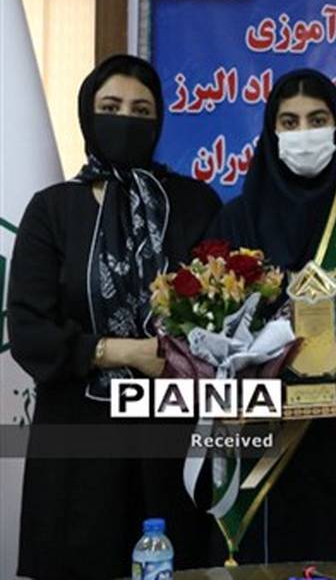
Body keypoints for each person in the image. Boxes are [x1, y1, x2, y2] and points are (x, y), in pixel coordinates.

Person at [8, 55, 221, 578]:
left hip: (172, 440)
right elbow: (29, 330)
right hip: (78, 444)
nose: (125, 119)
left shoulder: (194, 204)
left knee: (176, 562)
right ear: (88, 113)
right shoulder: (53, 210)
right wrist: (120, 352)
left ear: (159, 120)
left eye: (141, 110)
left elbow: (224, 316)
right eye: (111, 107)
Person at [206, 68, 336, 562]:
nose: (304, 134)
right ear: (271, 131)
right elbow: (207, 328)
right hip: (256, 433)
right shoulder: (235, 219)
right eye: (290, 121)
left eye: (317, 120)